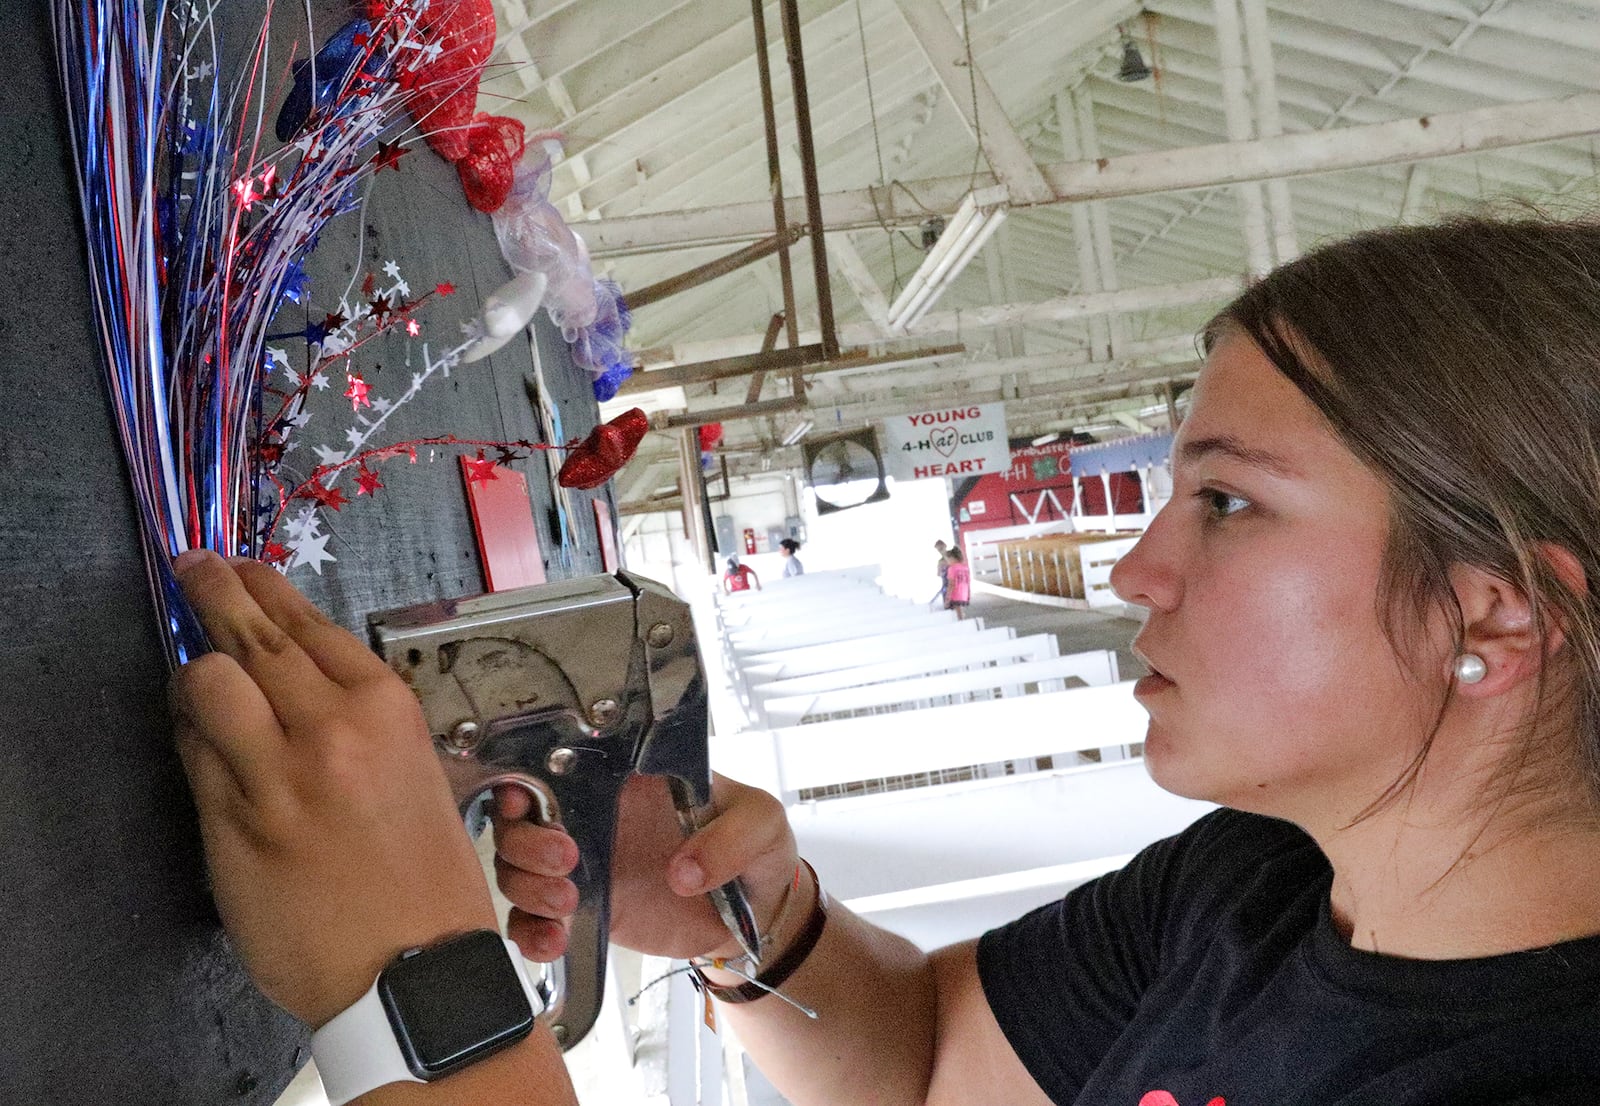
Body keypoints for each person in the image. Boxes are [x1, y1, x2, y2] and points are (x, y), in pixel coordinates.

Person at [171, 215, 1600, 1105]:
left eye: (1227, 503)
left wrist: (412, 988)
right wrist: (743, 914)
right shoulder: (1267, 884)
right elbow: (925, 1061)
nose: (1135, 569)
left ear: (1491, 616)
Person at [942, 547, 970, 619]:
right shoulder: (965, 567)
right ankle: (962, 621)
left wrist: (947, 598)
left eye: (948, 559)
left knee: (957, 611)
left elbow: (951, 584)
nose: (947, 562)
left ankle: (961, 624)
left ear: (952, 558)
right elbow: (967, 581)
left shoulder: (952, 568)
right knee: (960, 610)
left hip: (956, 592)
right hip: (964, 591)